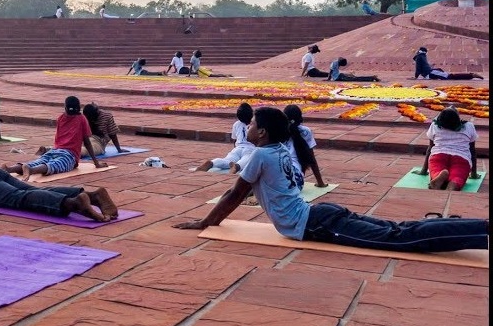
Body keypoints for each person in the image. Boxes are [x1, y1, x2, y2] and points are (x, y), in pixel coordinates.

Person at [174, 106, 489, 253]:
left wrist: (204, 223)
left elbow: (233, 195)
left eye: (253, 124)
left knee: (400, 238)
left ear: (263, 132)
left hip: (316, 223)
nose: (249, 128)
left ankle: (482, 234)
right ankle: (482, 229)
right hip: (320, 214)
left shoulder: (261, 155)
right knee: (399, 230)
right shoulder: (282, 151)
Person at [4, 96, 106, 177]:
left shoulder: (61, 117)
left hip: (54, 150)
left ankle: (10, 169)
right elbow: (87, 142)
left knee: (37, 161)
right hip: (70, 155)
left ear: (65, 108)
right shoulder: (81, 119)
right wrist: (96, 163)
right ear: (79, 108)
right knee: (54, 165)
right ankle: (31, 171)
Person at [420, 108, 479, 191]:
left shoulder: (435, 125)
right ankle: (453, 184)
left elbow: (430, 148)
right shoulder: (469, 126)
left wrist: (423, 171)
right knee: (458, 175)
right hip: (461, 158)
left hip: (438, 155)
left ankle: (438, 176)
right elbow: (472, 150)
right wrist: (474, 174)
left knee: (436, 170)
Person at [194, 103, 255, 172]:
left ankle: (213, 163)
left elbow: (234, 140)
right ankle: (237, 166)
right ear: (252, 114)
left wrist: (235, 149)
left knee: (227, 160)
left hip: (238, 148)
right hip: (250, 149)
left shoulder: (236, 124)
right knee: (247, 160)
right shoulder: (254, 124)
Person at [281, 104, 327, 188]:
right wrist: (320, 182)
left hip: (278, 177)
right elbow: (311, 158)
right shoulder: (305, 131)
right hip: (296, 181)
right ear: (300, 118)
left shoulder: (278, 130)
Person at [413, 47, 483, 80]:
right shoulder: (421, 57)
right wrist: (416, 76)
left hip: (430, 73)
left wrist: (416, 76)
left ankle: (471, 75)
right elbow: (419, 67)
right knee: (450, 76)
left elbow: (420, 67)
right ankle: (471, 75)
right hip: (430, 73)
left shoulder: (420, 56)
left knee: (448, 75)